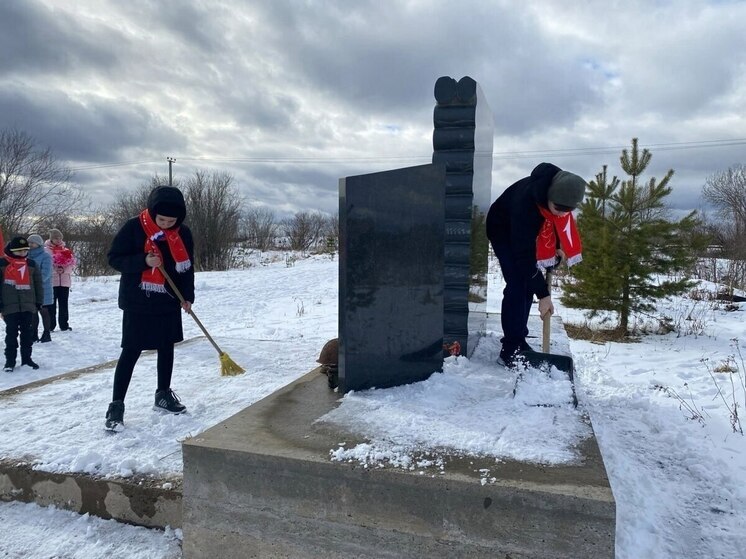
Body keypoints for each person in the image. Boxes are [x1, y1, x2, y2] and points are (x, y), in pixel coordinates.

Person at [104, 185, 195, 430]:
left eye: (171, 220)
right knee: (131, 351)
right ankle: (116, 405)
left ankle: (163, 394)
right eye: (162, 219)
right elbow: (114, 258)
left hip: (168, 299)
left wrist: (187, 297)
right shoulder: (134, 227)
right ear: (152, 213)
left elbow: (188, 267)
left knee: (167, 347)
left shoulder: (182, 234)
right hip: (138, 300)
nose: (166, 224)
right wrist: (143, 261)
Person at [486, 163, 586, 366]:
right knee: (517, 284)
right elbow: (524, 257)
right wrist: (543, 295)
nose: (561, 214)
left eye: (568, 210)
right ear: (548, 197)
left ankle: (519, 338)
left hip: (528, 232)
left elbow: (556, 222)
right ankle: (511, 348)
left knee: (526, 284)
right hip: (503, 230)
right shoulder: (526, 205)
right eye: (558, 208)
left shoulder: (558, 195)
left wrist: (557, 245)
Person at [1, 236, 44, 372]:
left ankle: (27, 359)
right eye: (19, 251)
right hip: (10, 306)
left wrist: (38, 302)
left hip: (28, 305)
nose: (22, 253)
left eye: (25, 250)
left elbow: (38, 284)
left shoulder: (31, 264)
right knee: (11, 335)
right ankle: (10, 362)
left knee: (27, 334)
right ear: (12, 250)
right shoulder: (2, 264)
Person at [45, 229, 76, 331]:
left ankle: (64, 325)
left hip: (64, 281)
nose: (58, 240)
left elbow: (72, 266)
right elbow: (45, 266)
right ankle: (50, 325)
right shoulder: (46, 251)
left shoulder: (66, 250)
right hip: (52, 282)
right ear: (51, 239)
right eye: (55, 238)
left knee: (63, 304)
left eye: (59, 238)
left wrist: (63, 270)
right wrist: (55, 270)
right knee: (51, 306)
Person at [27, 234, 53, 343]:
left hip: (43, 288)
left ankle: (46, 333)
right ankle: (34, 333)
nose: (30, 245)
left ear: (39, 244)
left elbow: (45, 273)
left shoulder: (45, 256)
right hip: (30, 288)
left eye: (32, 243)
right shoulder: (26, 256)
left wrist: (34, 282)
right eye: (29, 243)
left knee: (43, 311)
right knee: (33, 312)